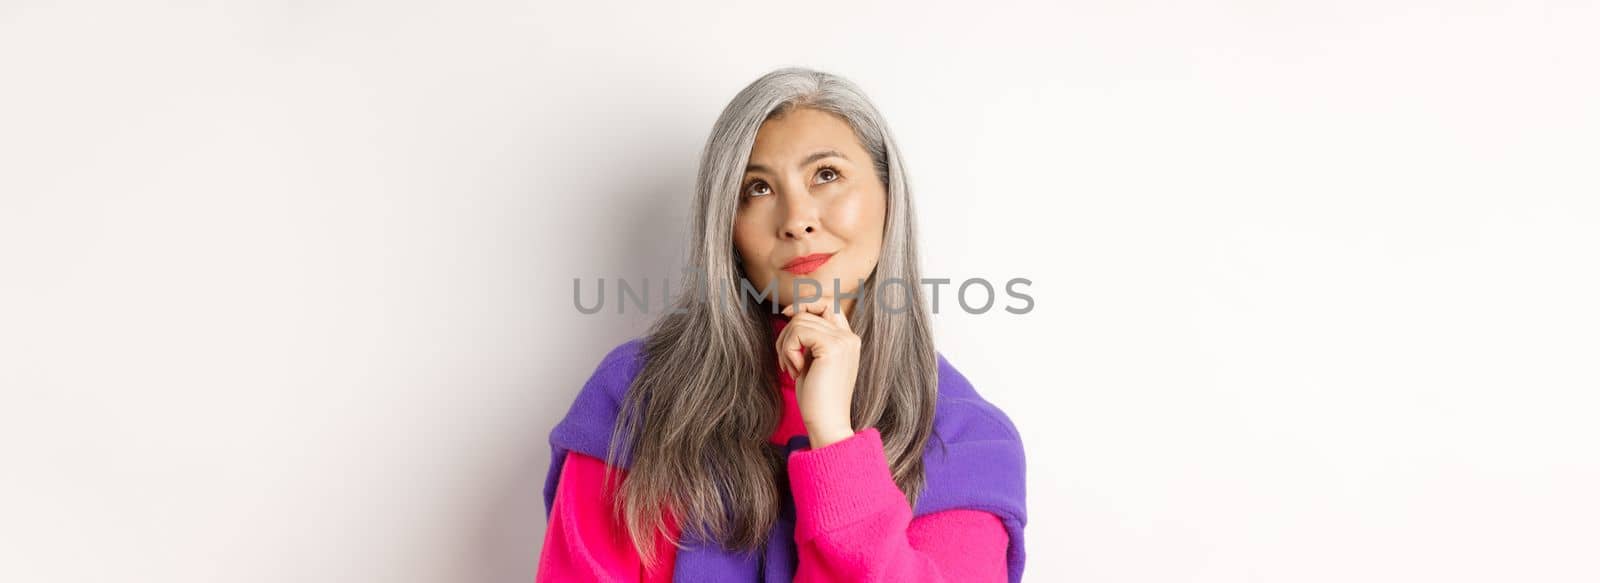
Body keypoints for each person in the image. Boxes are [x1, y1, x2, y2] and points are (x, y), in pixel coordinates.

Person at [538, 67, 1027, 582]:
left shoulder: (968, 440)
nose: (796, 218)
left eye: (827, 174)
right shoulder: (637, 396)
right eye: (758, 188)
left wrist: (834, 442)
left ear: (889, 197)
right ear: (728, 229)